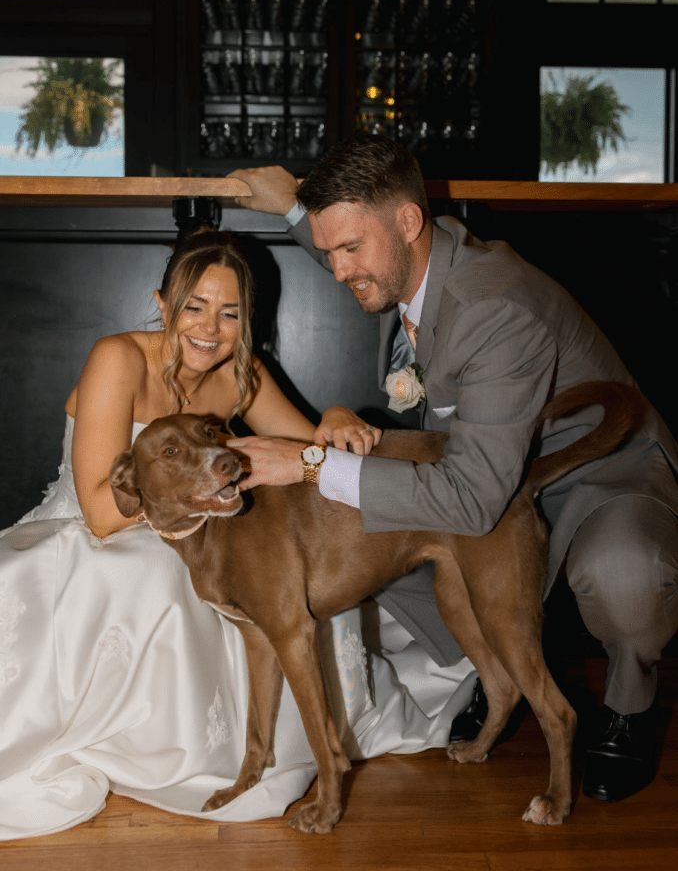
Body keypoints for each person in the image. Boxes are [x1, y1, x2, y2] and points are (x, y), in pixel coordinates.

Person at [227, 133, 678, 804]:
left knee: (623, 576)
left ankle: (629, 707)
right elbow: (359, 252)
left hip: (595, 472)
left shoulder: (493, 306)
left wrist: (310, 463)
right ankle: (500, 674)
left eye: (349, 250)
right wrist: (295, 207)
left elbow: (470, 501)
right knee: (356, 547)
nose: (341, 268)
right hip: (490, 467)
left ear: (408, 222)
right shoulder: (410, 255)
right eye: (331, 251)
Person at [0, 227, 476, 841]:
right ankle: (159, 749)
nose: (209, 327)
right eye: (194, 307)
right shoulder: (117, 357)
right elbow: (100, 511)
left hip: (192, 527)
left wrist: (330, 419)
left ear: (246, 320)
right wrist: (203, 498)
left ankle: (262, 752)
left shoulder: (239, 372)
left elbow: (305, 448)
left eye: (229, 313)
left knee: (255, 568)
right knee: (151, 575)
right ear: (163, 303)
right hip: (94, 528)